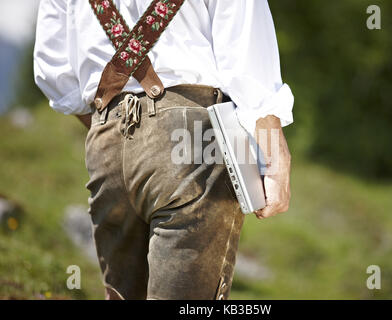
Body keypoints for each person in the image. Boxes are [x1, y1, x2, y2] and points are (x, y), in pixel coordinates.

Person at [34, 0, 293, 300]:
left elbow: (55, 72)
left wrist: (114, 129)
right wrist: (274, 154)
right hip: (190, 139)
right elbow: (246, 51)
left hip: (106, 140)